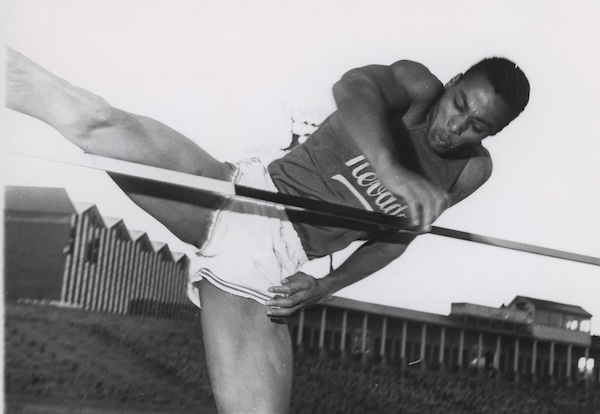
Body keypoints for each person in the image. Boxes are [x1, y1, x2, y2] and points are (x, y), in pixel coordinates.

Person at [6, 48, 529, 413]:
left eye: (478, 126)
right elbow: (353, 87)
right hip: (240, 191)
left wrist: (326, 285)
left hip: (266, 264)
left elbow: (396, 238)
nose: (456, 127)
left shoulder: (468, 171)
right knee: (96, 122)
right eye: (461, 105)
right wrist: (391, 169)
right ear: (455, 83)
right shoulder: (416, 87)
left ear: (494, 135)